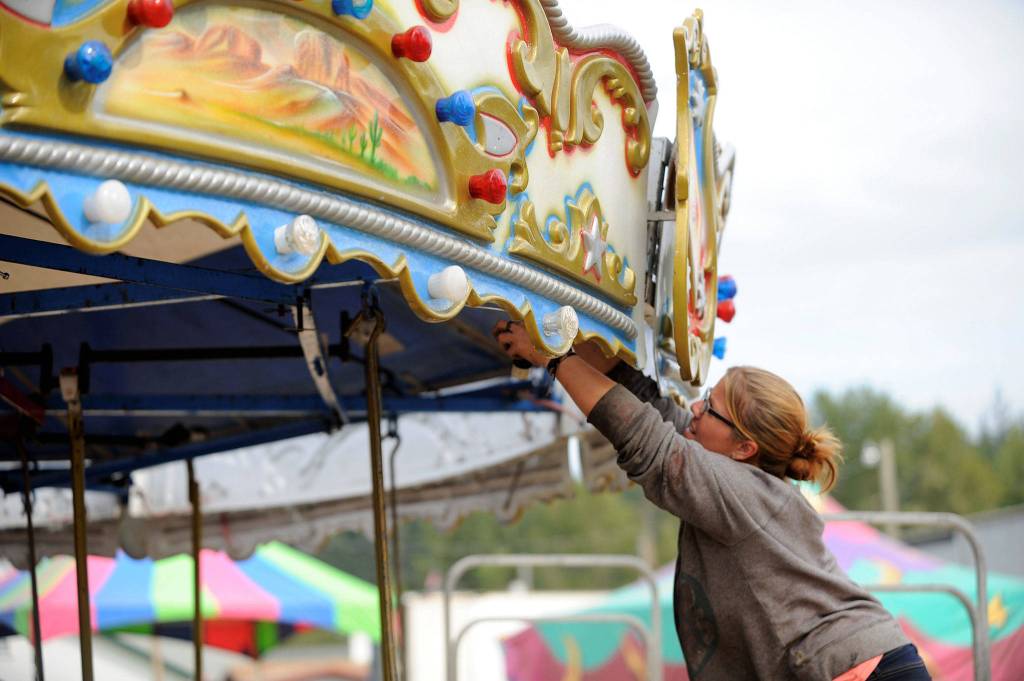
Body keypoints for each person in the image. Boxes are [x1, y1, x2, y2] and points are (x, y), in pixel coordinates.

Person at [493, 319, 931, 681]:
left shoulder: (742, 492)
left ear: (744, 448)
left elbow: (647, 441)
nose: (696, 409)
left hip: (854, 670)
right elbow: (654, 408)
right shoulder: (744, 477)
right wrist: (565, 335)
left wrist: (553, 358)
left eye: (711, 407)